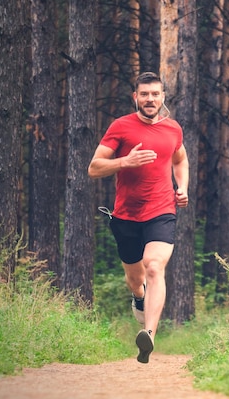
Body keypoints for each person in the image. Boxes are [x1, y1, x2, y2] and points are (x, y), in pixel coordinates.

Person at [88, 72, 189, 364]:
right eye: (144, 94)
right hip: (127, 215)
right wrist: (125, 161)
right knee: (136, 279)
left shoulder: (173, 129)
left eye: (155, 94)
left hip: (162, 210)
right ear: (135, 97)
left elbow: (180, 159)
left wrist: (181, 188)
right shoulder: (121, 127)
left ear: (163, 97)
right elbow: (94, 168)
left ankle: (149, 335)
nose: (150, 99)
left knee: (155, 266)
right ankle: (139, 298)